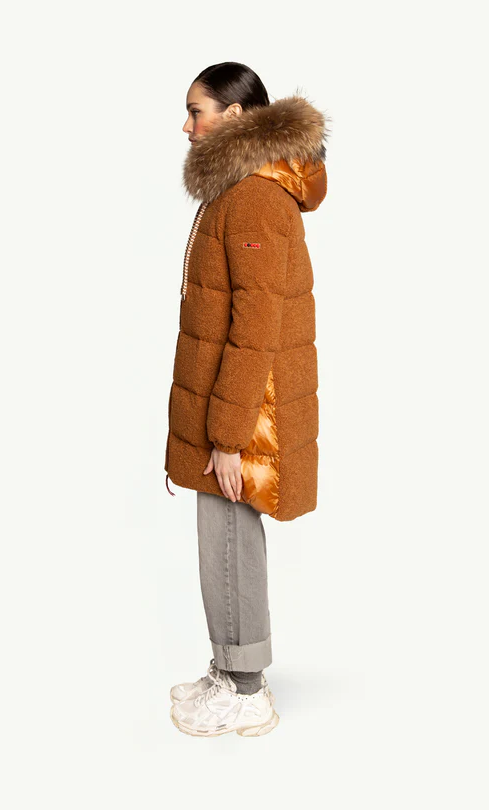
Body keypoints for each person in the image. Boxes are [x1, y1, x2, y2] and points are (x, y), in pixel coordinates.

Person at [165, 62, 330, 737]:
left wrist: (228, 436)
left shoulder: (254, 197)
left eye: (196, 111)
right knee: (222, 536)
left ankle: (244, 689)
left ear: (234, 116)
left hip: (243, 415)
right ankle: (229, 669)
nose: (187, 126)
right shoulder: (236, 188)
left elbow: (255, 326)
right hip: (229, 406)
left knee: (229, 538)